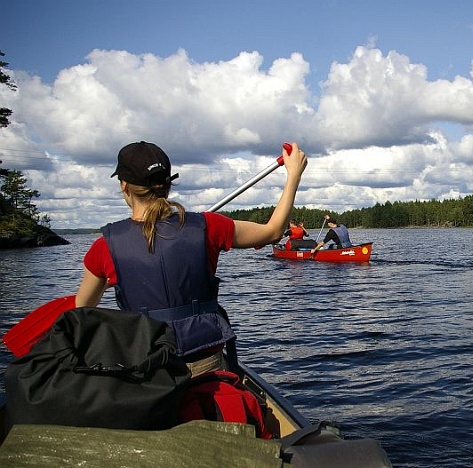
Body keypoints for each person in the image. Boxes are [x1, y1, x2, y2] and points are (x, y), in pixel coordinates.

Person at [75, 140, 307, 376]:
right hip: (205, 362)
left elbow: (82, 311)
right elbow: (274, 231)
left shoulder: (105, 247)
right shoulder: (209, 226)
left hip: (146, 369)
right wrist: (293, 175)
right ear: (168, 184)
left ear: (124, 186)